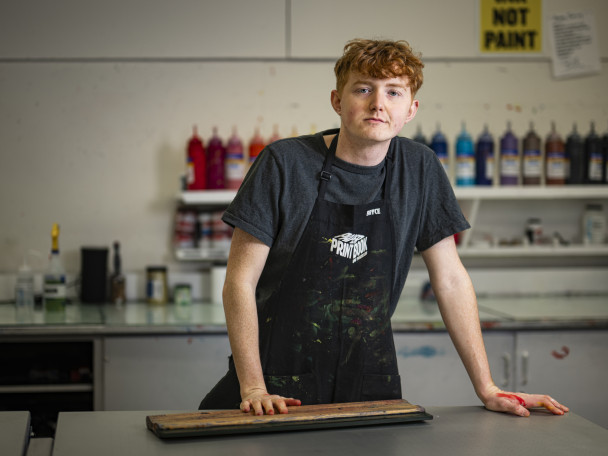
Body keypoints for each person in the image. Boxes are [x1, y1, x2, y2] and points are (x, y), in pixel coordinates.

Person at [199, 38, 569, 418]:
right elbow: (239, 282)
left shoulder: (420, 168)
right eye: (363, 89)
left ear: (411, 109)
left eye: (394, 92)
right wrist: (254, 386)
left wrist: (487, 387)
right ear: (337, 101)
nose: (378, 103)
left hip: (370, 385)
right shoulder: (285, 164)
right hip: (276, 388)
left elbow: (451, 279)